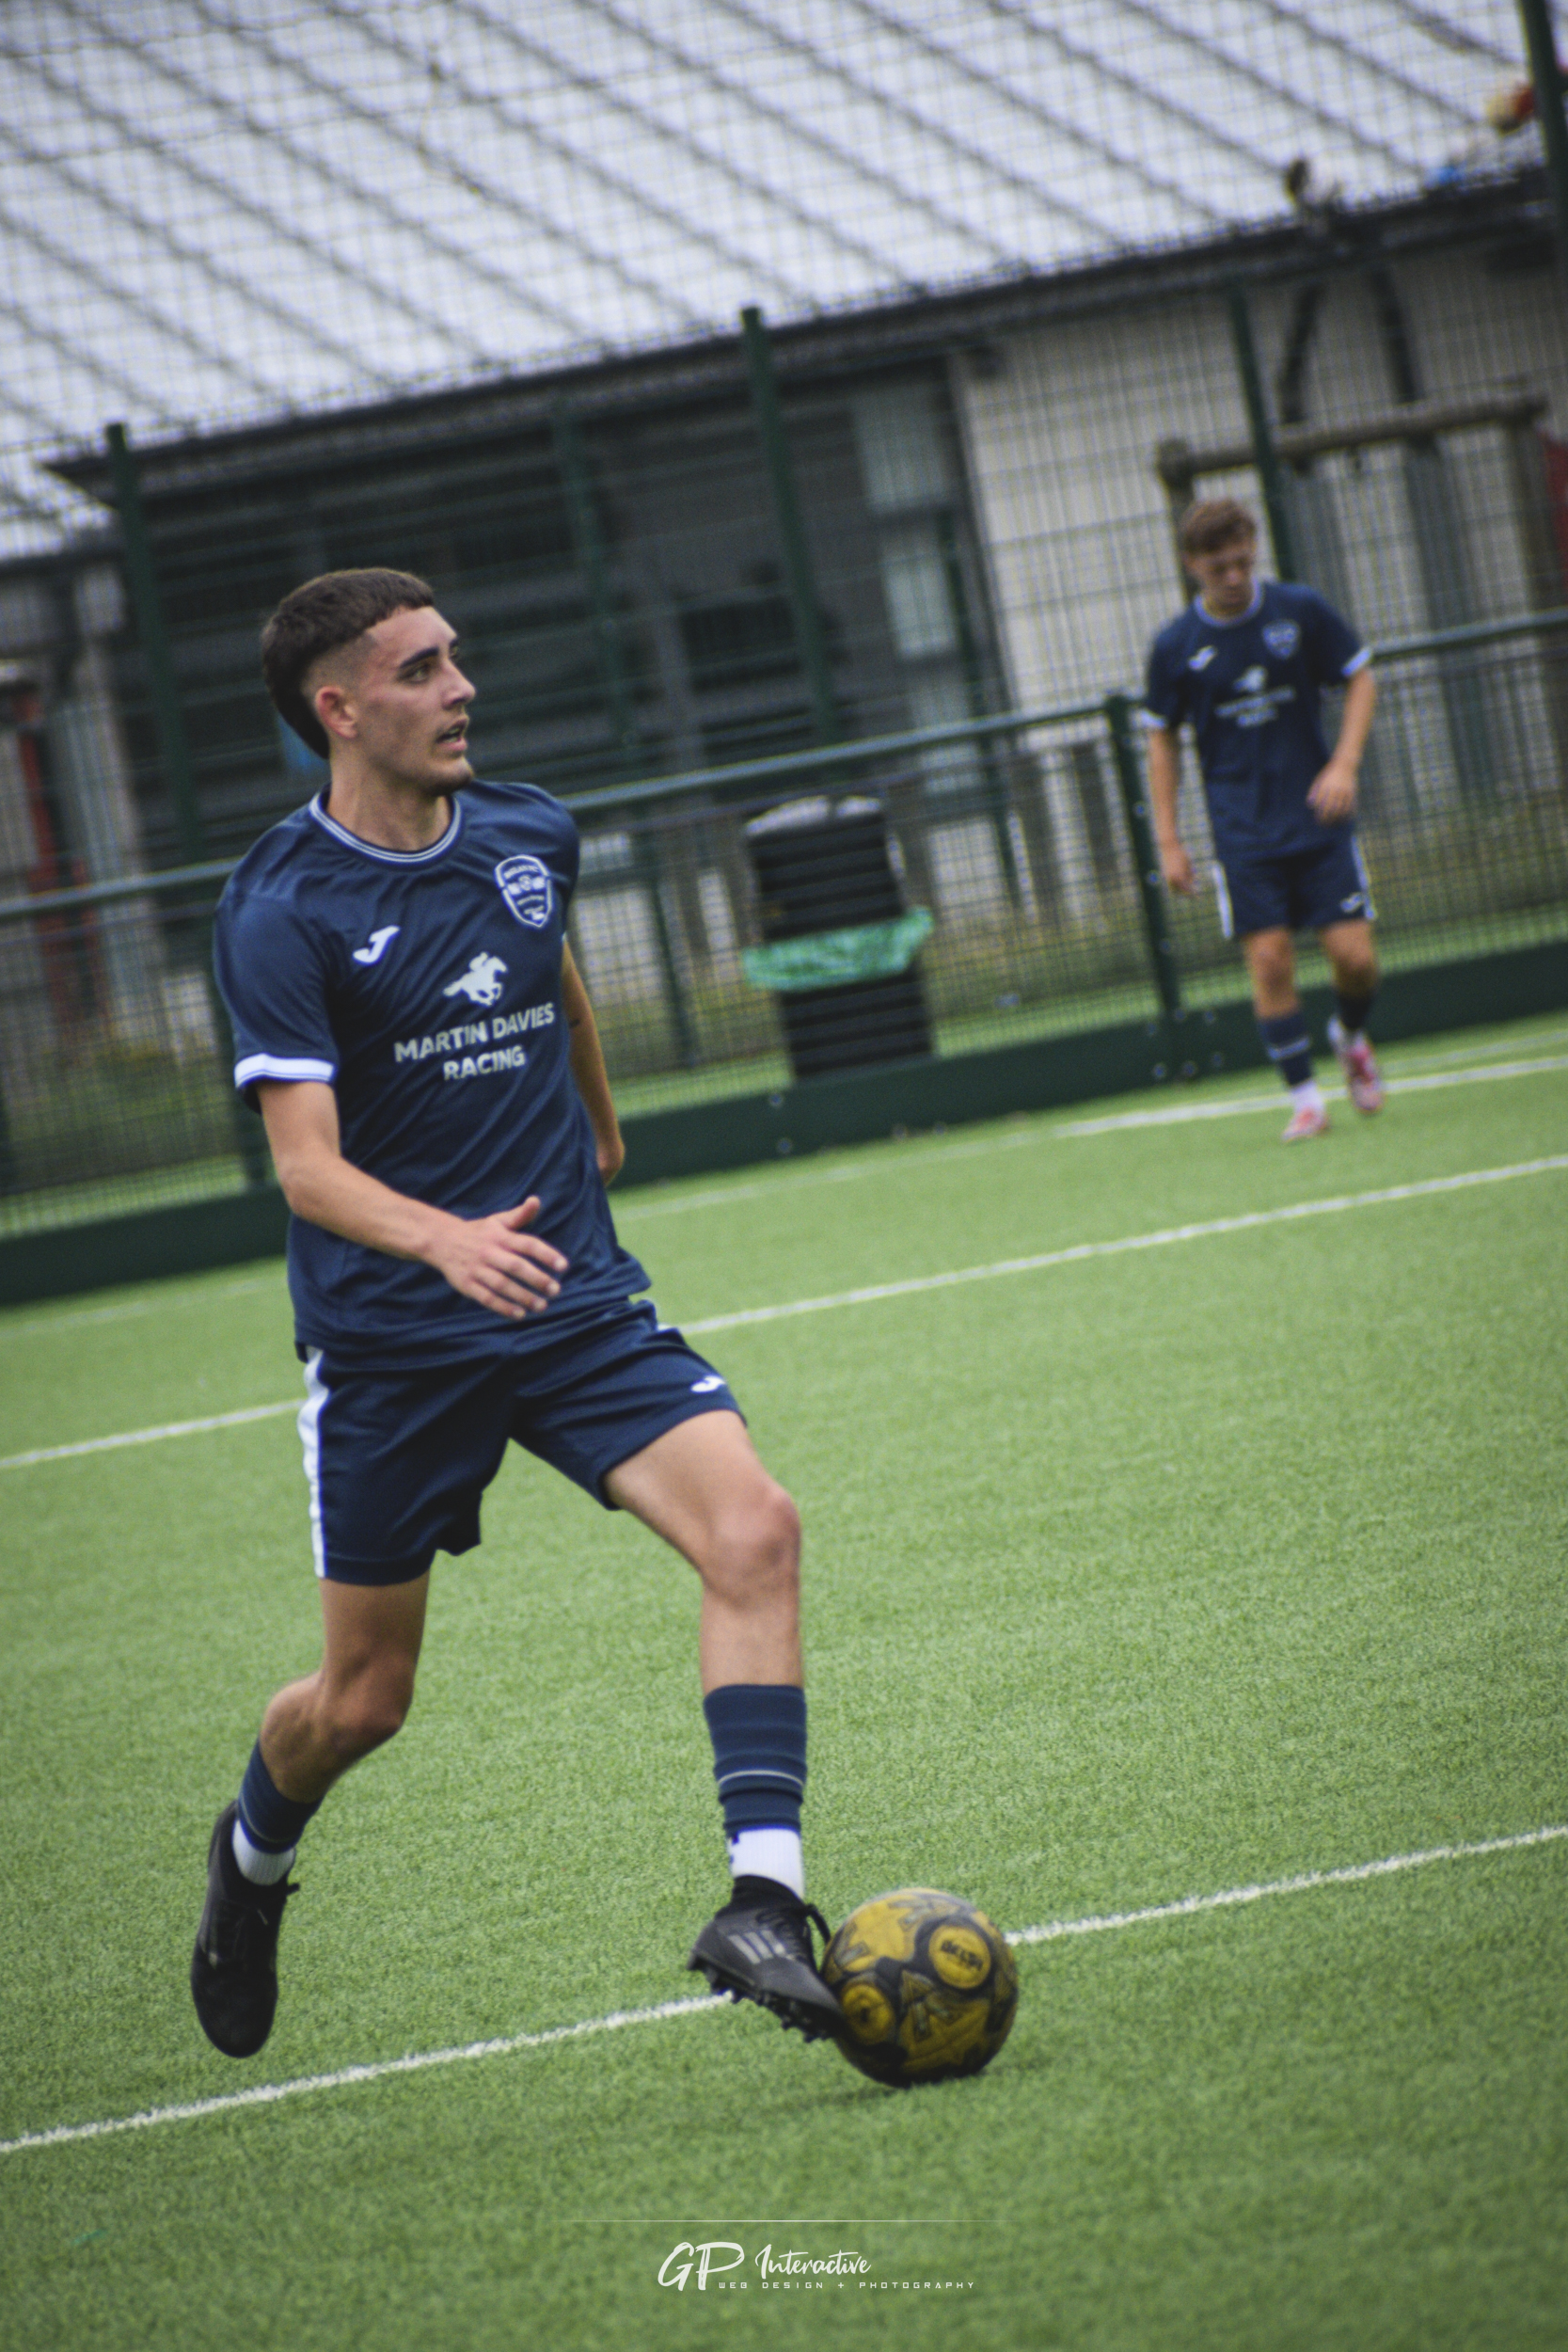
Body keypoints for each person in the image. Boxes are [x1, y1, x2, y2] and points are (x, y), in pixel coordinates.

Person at [192, 567, 839, 2059]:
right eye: (419, 671)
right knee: (362, 1703)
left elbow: (554, 979)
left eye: (455, 659)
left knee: (755, 1531)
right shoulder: (280, 907)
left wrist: (599, 1127)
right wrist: (445, 1243)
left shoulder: (528, 830)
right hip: (395, 1342)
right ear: (336, 709)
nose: (460, 688)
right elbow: (305, 1169)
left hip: (570, 1302)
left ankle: (761, 1901)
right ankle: (250, 1862)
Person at [1140, 498, 1386, 1139]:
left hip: (1318, 818)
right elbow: (1161, 740)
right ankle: (1305, 1100)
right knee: (1271, 961)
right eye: (1218, 567)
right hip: (1242, 830)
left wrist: (1344, 765)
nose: (1233, 576)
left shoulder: (1298, 610)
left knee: (1354, 958)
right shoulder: (1175, 646)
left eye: (1242, 562)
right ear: (1191, 565)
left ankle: (1349, 1035)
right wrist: (1168, 840)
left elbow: (1360, 677)